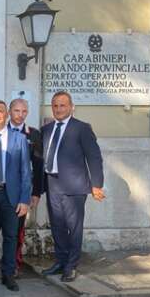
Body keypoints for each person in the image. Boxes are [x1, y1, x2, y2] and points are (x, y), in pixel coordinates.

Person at [41, 91, 104, 282]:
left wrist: (97, 185)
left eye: (62, 105)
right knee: (57, 225)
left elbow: (94, 157)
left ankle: (71, 266)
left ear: (71, 107)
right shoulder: (47, 129)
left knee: (73, 227)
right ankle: (61, 261)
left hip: (74, 186)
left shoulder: (82, 128)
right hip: (52, 183)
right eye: (55, 106)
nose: (59, 109)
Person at [0, 100, 31, 292]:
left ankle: (8, 274)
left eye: (1, 111)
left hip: (10, 196)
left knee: (11, 237)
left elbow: (26, 172)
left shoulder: (18, 139)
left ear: (7, 115)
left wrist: (24, 199)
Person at [8, 98, 44, 276]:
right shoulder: (0, 131)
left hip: (20, 192)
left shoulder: (34, 135)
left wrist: (36, 192)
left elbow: (38, 166)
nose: (20, 115)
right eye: (16, 111)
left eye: (23, 112)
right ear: (9, 111)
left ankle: (14, 263)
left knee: (17, 230)